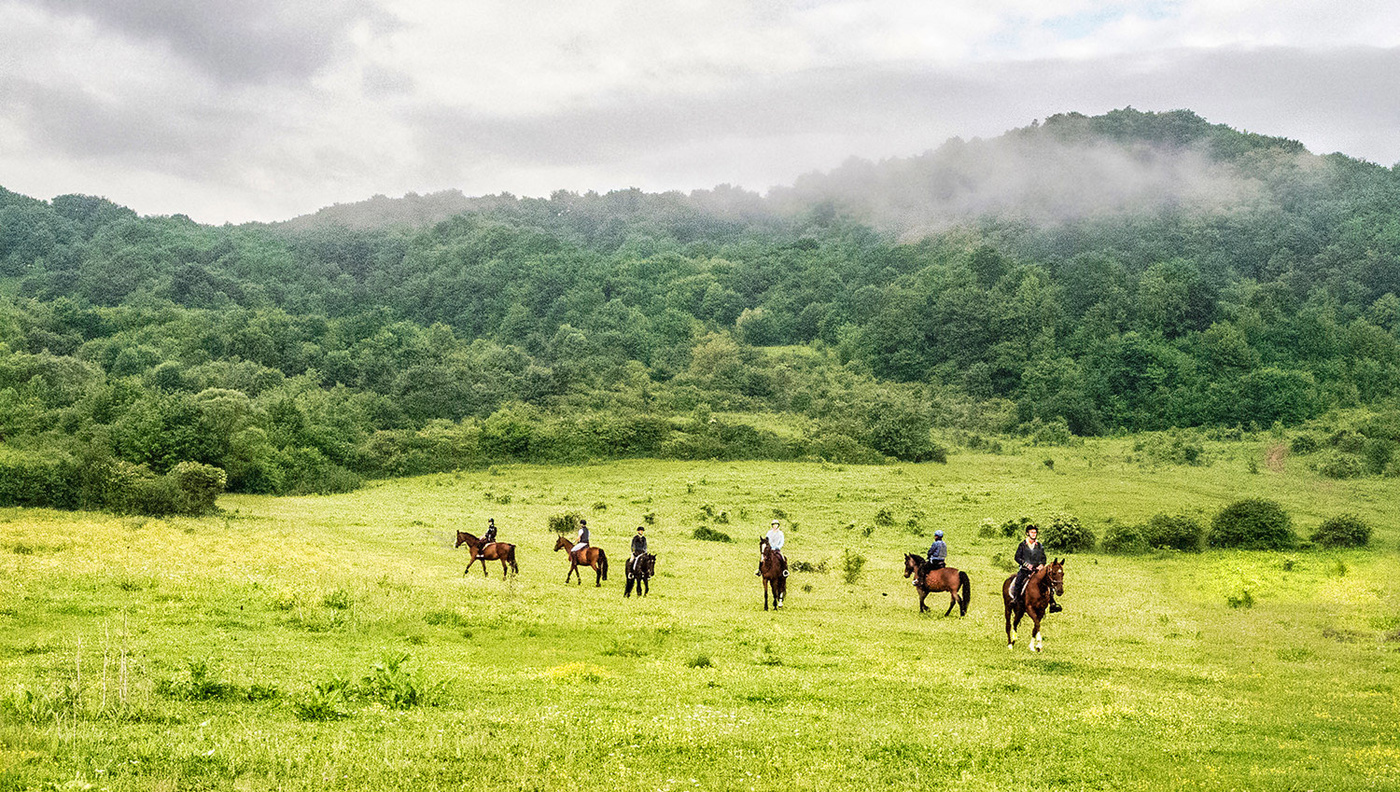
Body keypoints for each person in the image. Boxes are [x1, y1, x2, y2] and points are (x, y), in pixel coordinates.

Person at [1011, 524, 1060, 612]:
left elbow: (1043, 558)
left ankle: (1052, 603)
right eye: (1032, 532)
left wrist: (1041, 564)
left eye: (1035, 532)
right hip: (1025, 570)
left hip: (1038, 570)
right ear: (1027, 533)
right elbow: (1017, 557)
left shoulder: (1039, 546)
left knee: (1049, 581)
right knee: (1018, 582)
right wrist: (1026, 565)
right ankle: (1016, 600)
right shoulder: (1022, 545)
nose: (1034, 534)